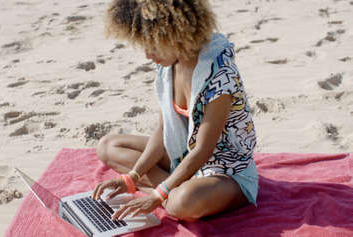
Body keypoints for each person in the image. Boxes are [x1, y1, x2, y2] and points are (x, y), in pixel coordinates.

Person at [92, 0, 258, 222]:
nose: (148, 55)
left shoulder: (220, 75)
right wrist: (132, 177)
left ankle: (173, 189)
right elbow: (163, 129)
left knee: (182, 203)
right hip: (182, 156)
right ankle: (174, 185)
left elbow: (203, 150)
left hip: (225, 170)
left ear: (173, 34)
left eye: (151, 44)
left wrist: (158, 194)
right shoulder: (168, 64)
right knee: (108, 146)